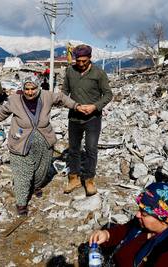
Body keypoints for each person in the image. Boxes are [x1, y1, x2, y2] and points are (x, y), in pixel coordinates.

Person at [0, 77, 83, 216]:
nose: (30, 92)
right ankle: (21, 202)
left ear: (38, 87)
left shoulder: (46, 96)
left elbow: (61, 98)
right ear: (22, 88)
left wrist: (76, 106)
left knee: (41, 170)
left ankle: (36, 186)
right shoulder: (14, 100)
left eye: (33, 89)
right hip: (20, 141)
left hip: (44, 140)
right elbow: (2, 113)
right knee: (23, 173)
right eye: (26, 89)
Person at [89, 182, 168, 267]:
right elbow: (126, 230)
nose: (137, 215)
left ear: (164, 219)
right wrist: (107, 234)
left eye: (144, 213)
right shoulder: (145, 224)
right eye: (140, 209)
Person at [62, 44, 113, 196]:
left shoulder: (99, 73)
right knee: (73, 149)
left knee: (91, 149)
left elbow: (108, 94)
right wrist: (74, 105)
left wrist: (95, 106)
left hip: (93, 118)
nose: (81, 64)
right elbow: (64, 92)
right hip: (74, 117)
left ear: (90, 58)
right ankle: (74, 178)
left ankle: (89, 180)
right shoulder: (70, 71)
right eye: (78, 61)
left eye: (84, 61)